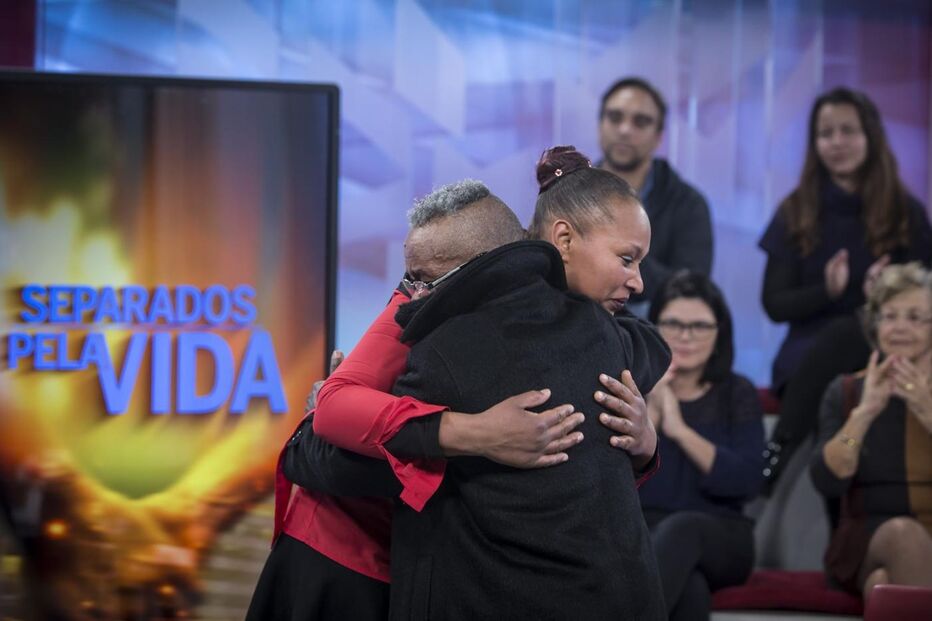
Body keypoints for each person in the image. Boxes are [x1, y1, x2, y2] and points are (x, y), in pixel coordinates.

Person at [247, 177, 662, 620]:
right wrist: (474, 433)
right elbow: (653, 347)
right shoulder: (607, 337)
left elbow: (329, 459)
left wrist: (315, 425)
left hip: (369, 565)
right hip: (354, 561)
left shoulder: (449, 352)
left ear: (478, 271)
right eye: (625, 259)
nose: (411, 294)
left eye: (424, 280)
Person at [759, 86, 932, 484]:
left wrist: (886, 294)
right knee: (838, 335)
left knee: (850, 330)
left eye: (848, 131)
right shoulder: (795, 210)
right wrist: (828, 292)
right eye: (826, 133)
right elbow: (774, 303)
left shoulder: (906, 212)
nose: (837, 142)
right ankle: (785, 450)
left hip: (887, 344)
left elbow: (923, 296)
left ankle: (779, 450)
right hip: (807, 355)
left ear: (870, 135)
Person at [639, 271, 765, 621]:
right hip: (648, 531)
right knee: (690, 589)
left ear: (719, 332)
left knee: (683, 529)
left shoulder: (737, 394)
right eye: (673, 323)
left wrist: (679, 430)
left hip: (720, 534)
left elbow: (747, 481)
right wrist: (649, 409)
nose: (685, 336)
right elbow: (614, 481)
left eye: (699, 326)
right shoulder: (632, 390)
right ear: (654, 326)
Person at [809, 262, 932, 600]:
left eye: (915, 317)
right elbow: (827, 481)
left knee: (883, 583)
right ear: (875, 325)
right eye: (889, 316)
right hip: (868, 540)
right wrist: (864, 414)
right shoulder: (847, 392)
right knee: (904, 537)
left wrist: (926, 408)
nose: (900, 327)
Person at [597, 76, 713, 310]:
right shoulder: (568, 194)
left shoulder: (689, 205)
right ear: (600, 125)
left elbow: (689, 290)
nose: (625, 130)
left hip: (656, 337)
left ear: (659, 136)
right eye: (615, 117)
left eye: (640, 122)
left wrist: (618, 251)